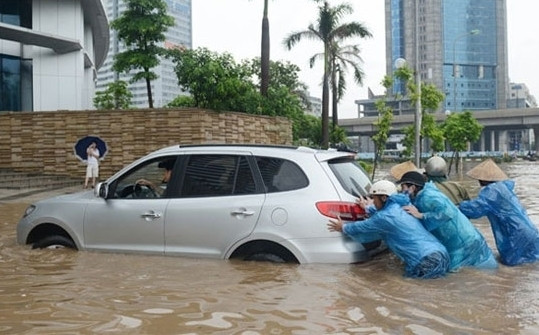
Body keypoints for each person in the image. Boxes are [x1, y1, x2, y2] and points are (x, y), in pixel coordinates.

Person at [327, 180, 450, 279]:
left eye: (374, 199)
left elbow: (362, 227)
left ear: (384, 198)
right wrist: (367, 208)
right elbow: (385, 214)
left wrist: (342, 227)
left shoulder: (385, 217)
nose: (373, 202)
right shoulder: (399, 206)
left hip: (424, 260)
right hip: (441, 253)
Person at [398, 171, 497, 272]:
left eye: (403, 187)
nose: (402, 190)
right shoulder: (422, 195)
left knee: (460, 276)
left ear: (413, 188)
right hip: (464, 240)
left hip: (463, 243)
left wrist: (421, 215)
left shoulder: (429, 197)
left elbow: (448, 212)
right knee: (479, 272)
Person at [459, 159, 539, 266]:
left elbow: (474, 210)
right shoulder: (504, 188)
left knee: (512, 272)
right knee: (528, 269)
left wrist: (458, 206)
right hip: (530, 233)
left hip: (515, 236)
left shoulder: (491, 192)